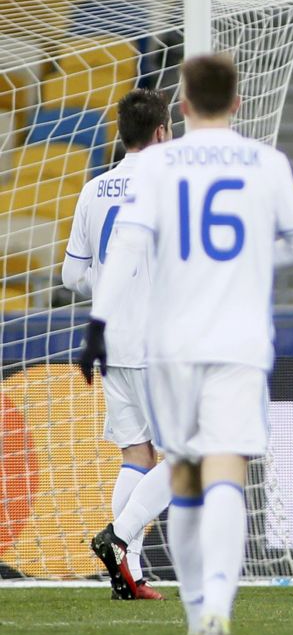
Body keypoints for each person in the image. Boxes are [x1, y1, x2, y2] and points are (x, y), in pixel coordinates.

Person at [78, 53, 293, 635]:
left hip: (170, 342)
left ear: (182, 108)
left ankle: (187, 607)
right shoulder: (266, 162)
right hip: (237, 341)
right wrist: (250, 262)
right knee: (227, 472)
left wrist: (98, 324)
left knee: (181, 472)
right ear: (237, 103)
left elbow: (128, 245)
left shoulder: (161, 167)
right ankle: (216, 607)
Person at [62, 89, 173, 601]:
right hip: (159, 339)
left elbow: (71, 274)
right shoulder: (171, 185)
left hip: (110, 341)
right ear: (161, 132)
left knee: (136, 456)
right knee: (188, 454)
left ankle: (128, 574)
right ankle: (120, 539)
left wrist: (109, 284)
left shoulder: (94, 189)